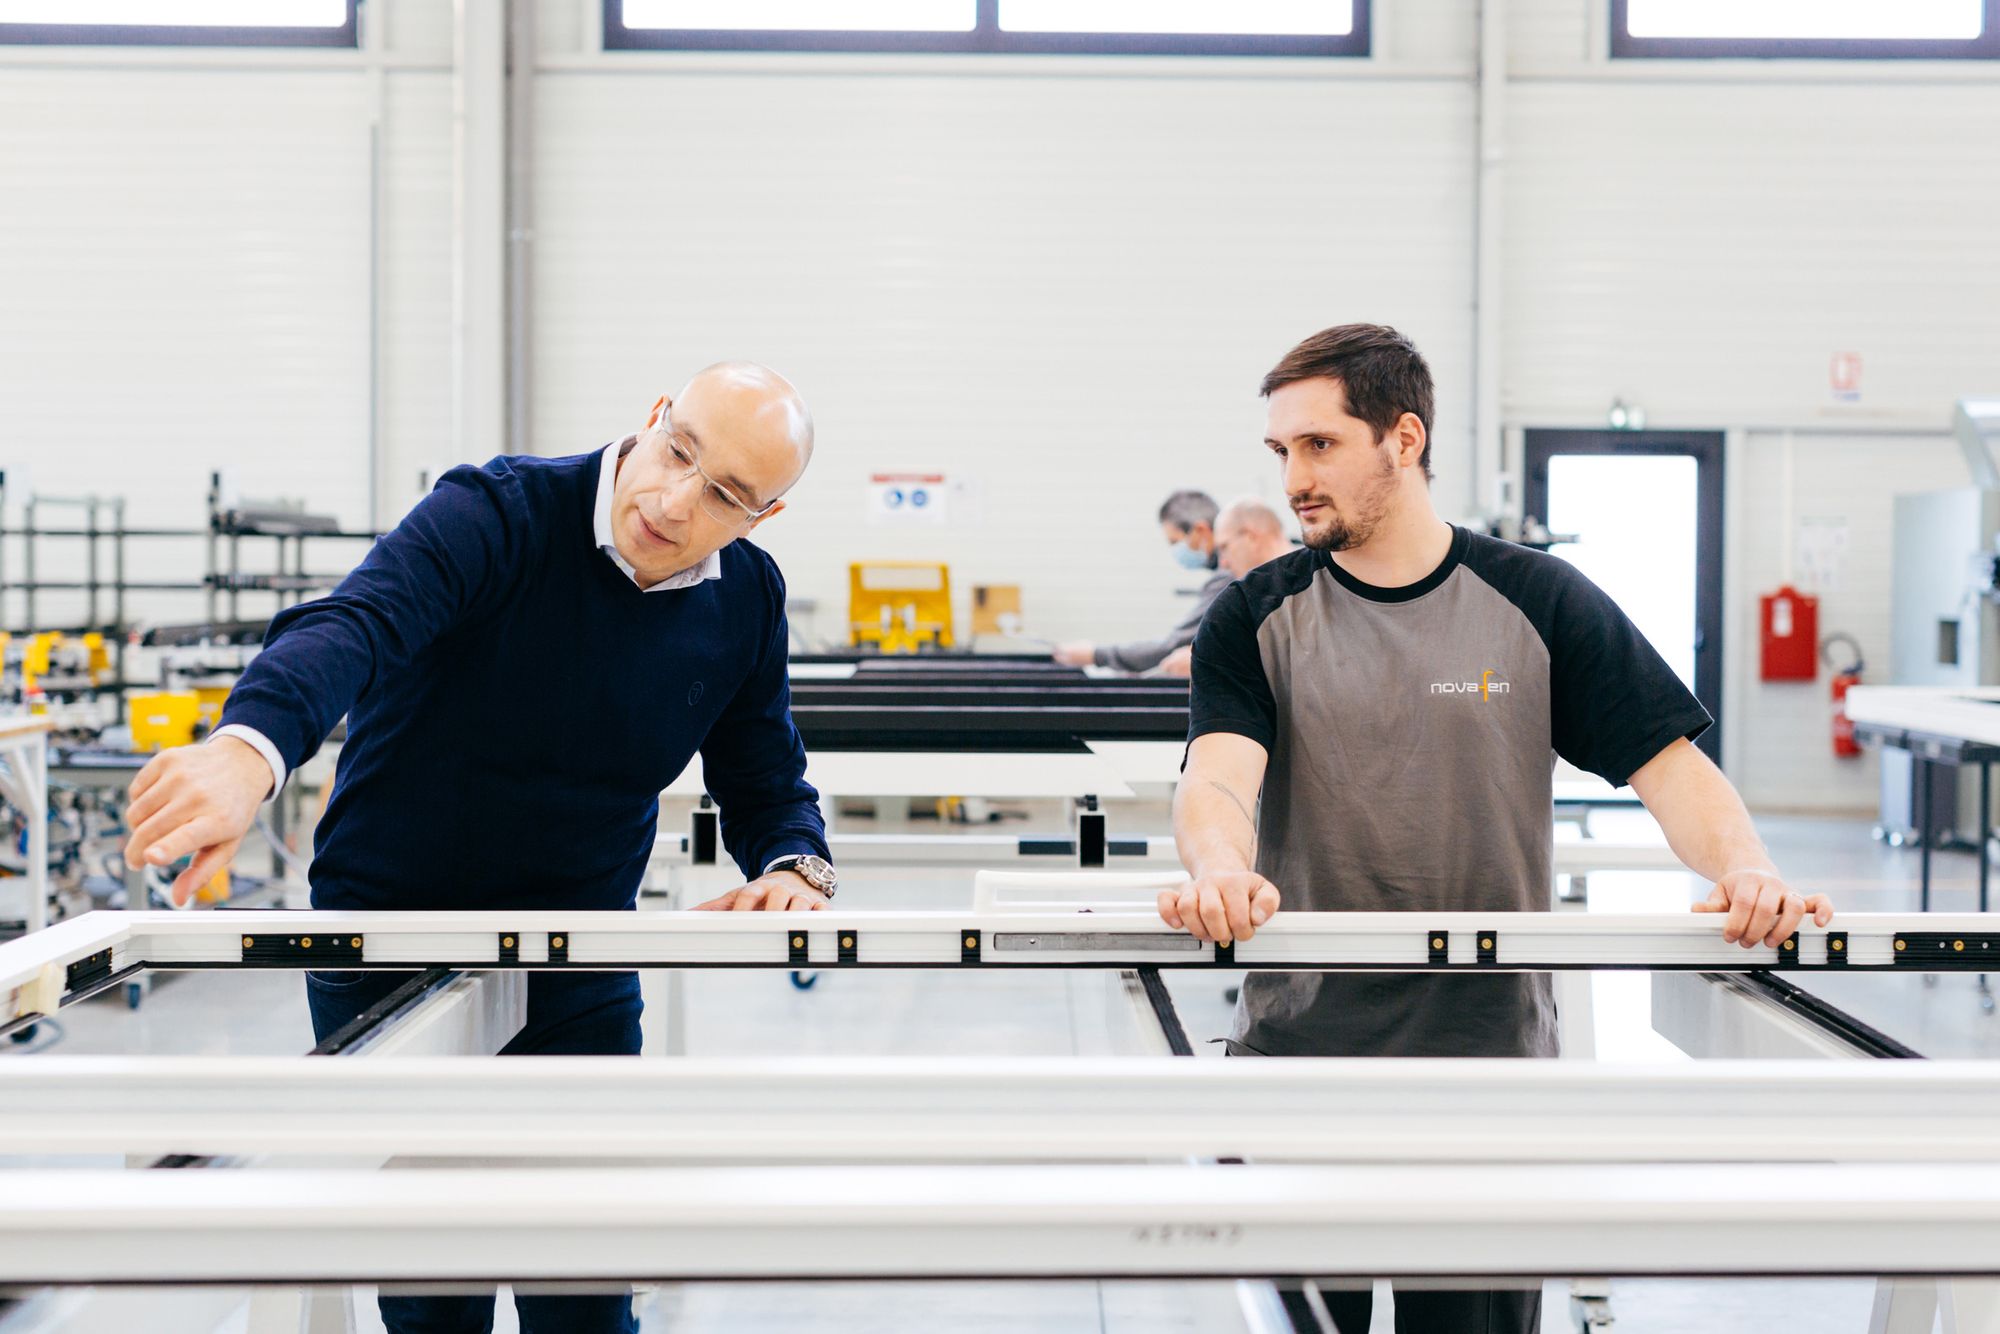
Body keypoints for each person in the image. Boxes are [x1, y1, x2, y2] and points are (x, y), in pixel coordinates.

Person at [122, 361, 838, 1334]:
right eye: (678, 452)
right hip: (388, 937)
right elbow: (355, 622)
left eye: (723, 496)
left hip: (575, 947)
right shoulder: (497, 513)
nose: (674, 500)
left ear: (765, 514)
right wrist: (253, 748)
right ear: (655, 415)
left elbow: (762, 768)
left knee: (583, 1281)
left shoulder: (745, 598)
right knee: (433, 1282)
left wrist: (792, 862)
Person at [1160, 323, 1835, 1334]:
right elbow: (1216, 781)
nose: (1294, 476)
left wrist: (1747, 869)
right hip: (1299, 1059)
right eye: (1281, 452)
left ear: (1403, 437)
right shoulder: (1253, 613)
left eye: (1318, 445)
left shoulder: (1537, 600)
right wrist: (1218, 867)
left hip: (1485, 1066)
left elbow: (1673, 770)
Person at [1054, 489, 1230, 672]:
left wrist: (1096, 655)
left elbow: (1173, 646)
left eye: (1174, 541)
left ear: (1201, 530)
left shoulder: (1228, 578)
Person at [1156, 498, 1296, 676]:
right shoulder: (1263, 594)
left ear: (1251, 537)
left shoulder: (1310, 586)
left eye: (1224, 547)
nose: (1223, 562)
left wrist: (1211, 660)